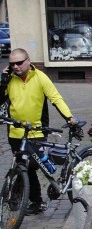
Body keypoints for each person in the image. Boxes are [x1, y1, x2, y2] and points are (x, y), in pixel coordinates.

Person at [0, 48, 77, 215]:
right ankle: (31, 201)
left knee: (32, 164)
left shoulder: (40, 77)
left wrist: (69, 118)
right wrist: (2, 83)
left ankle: (33, 195)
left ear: (28, 61)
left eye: (19, 63)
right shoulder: (9, 79)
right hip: (15, 132)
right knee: (22, 165)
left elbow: (55, 98)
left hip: (37, 131)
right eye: (12, 64)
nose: (15, 67)